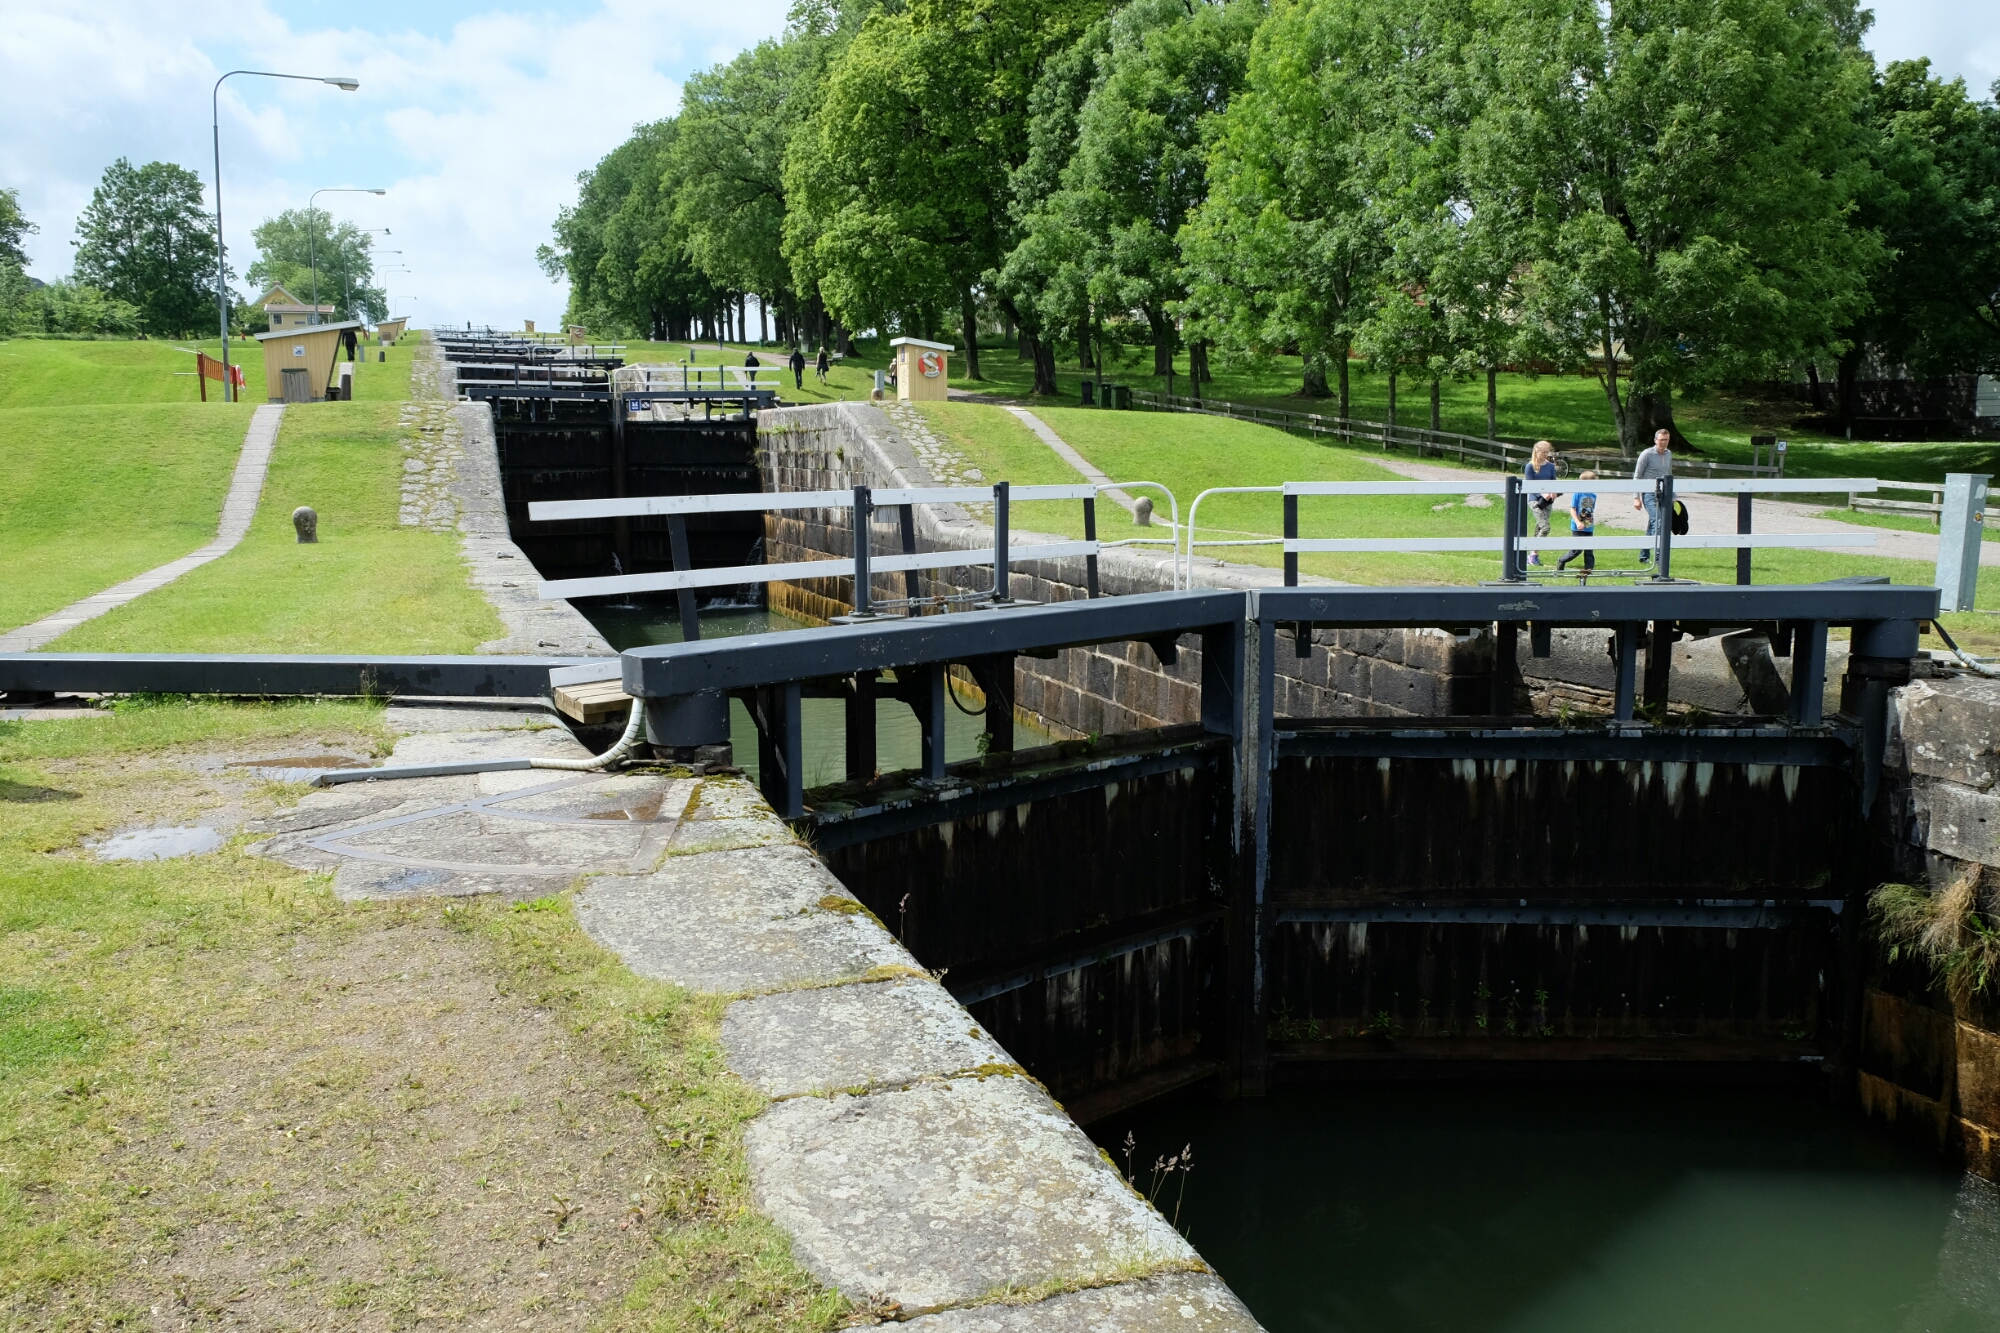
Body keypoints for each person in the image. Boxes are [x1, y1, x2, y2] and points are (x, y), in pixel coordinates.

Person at [1632, 427, 1673, 564]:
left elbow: (1668, 474)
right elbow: (1637, 476)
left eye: (1666, 440)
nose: (1663, 443)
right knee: (1659, 521)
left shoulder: (1668, 454)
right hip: (1649, 494)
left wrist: (1673, 495)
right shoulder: (1647, 454)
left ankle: (1644, 556)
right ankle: (1659, 557)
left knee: (1653, 524)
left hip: (1663, 494)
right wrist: (1636, 498)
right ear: (1655, 440)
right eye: (1661, 440)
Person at [1523, 440, 1558, 567]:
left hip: (1548, 501)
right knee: (1545, 527)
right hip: (1535, 500)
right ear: (1536, 451)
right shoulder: (1530, 466)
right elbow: (1529, 485)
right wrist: (1541, 493)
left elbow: (1554, 481)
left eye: (1547, 452)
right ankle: (1533, 555)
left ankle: (1532, 555)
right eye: (1543, 452)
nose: (1546, 454)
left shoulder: (1550, 466)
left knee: (1539, 528)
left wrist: (1554, 492)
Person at [1557, 471, 1598, 577]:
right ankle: (1562, 560)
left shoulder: (1594, 495)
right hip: (1577, 526)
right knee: (1577, 550)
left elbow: (1590, 510)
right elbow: (1573, 509)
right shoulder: (1577, 494)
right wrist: (1578, 522)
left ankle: (1588, 569)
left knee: (1589, 549)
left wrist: (1588, 523)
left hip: (1588, 525)